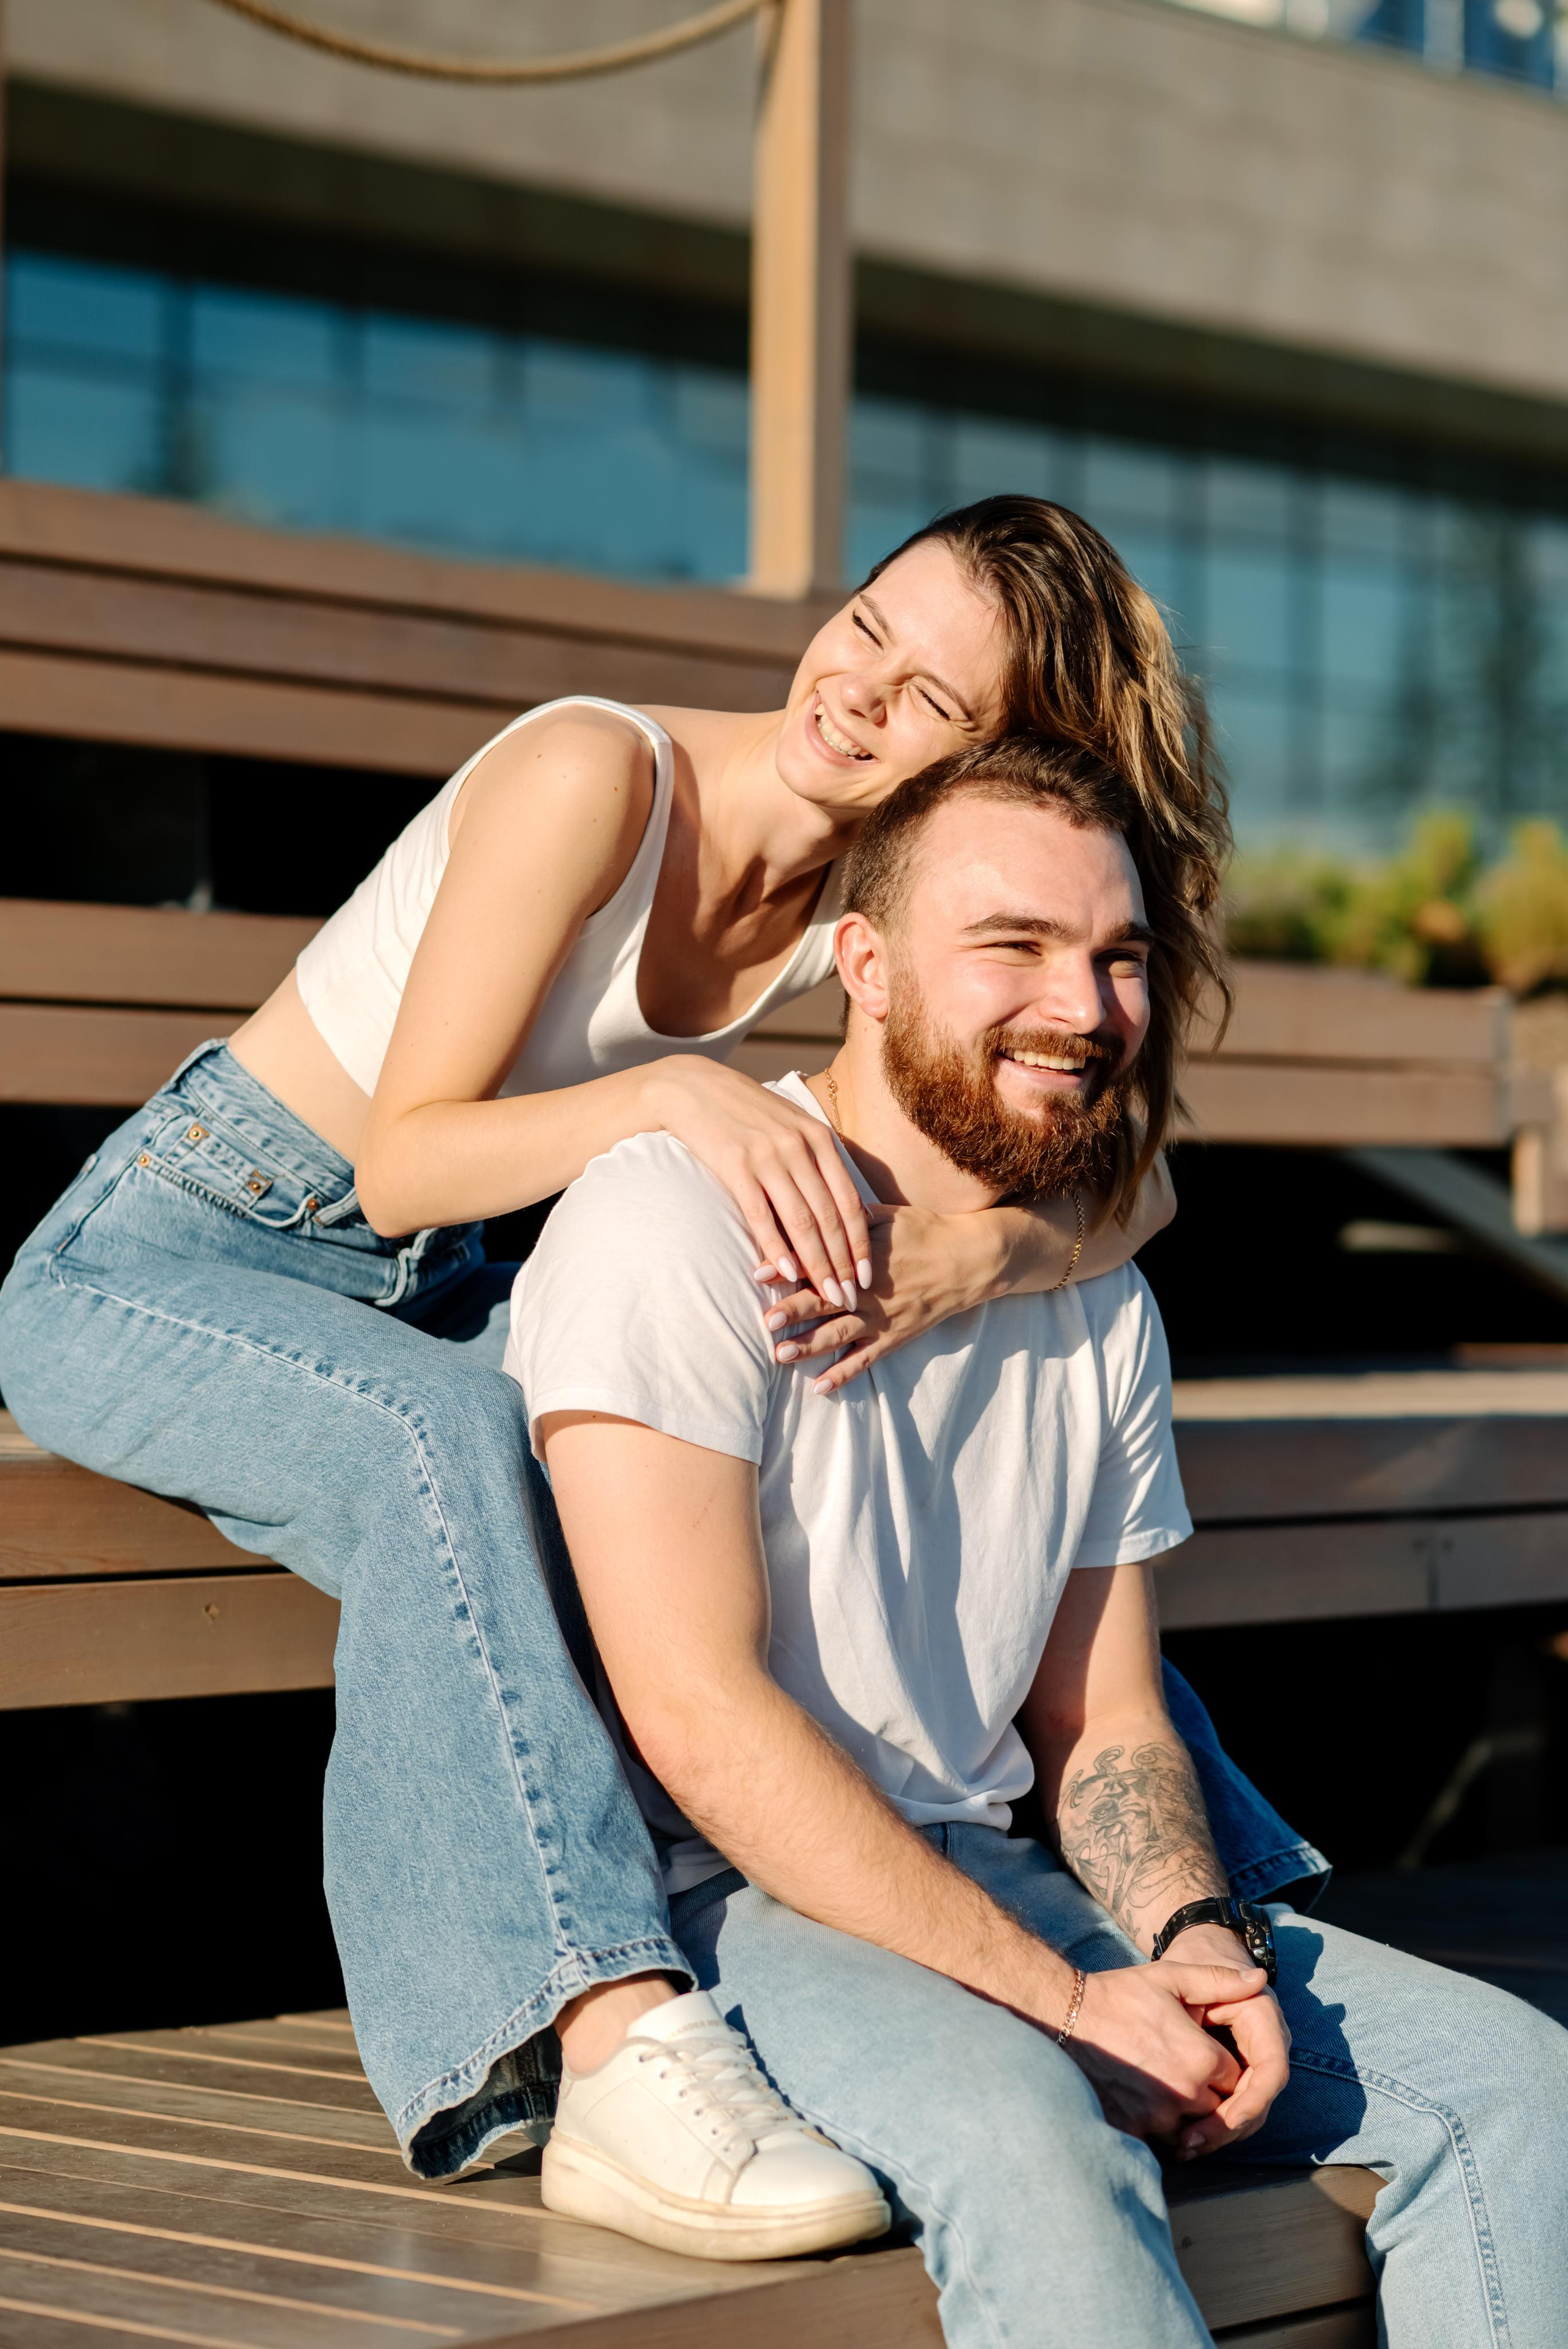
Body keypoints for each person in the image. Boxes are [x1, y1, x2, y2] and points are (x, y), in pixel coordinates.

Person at [0, 497, 1316, 2197]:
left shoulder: (876, 884)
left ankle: (1213, 1907)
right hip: (170, 1258)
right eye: (867, 624)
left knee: (907, 1449)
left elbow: (1132, 1200)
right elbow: (402, 1162)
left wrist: (965, 1257)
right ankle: (592, 2039)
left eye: (929, 697)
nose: (857, 688)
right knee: (451, 1447)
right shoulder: (593, 777)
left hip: (427, 1291)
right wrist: (680, 1092)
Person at [513, 737, 1568, 2337]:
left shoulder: (1090, 1295)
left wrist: (1196, 1942)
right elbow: (696, 1719)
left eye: (1118, 954)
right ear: (862, 964)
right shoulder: (666, 1222)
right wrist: (1072, 2003)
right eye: (1013, 944)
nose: (1084, 1006)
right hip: (723, 1910)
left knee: (1520, 2087)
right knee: (1046, 2142)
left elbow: (1103, 1715)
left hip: (994, 1869)